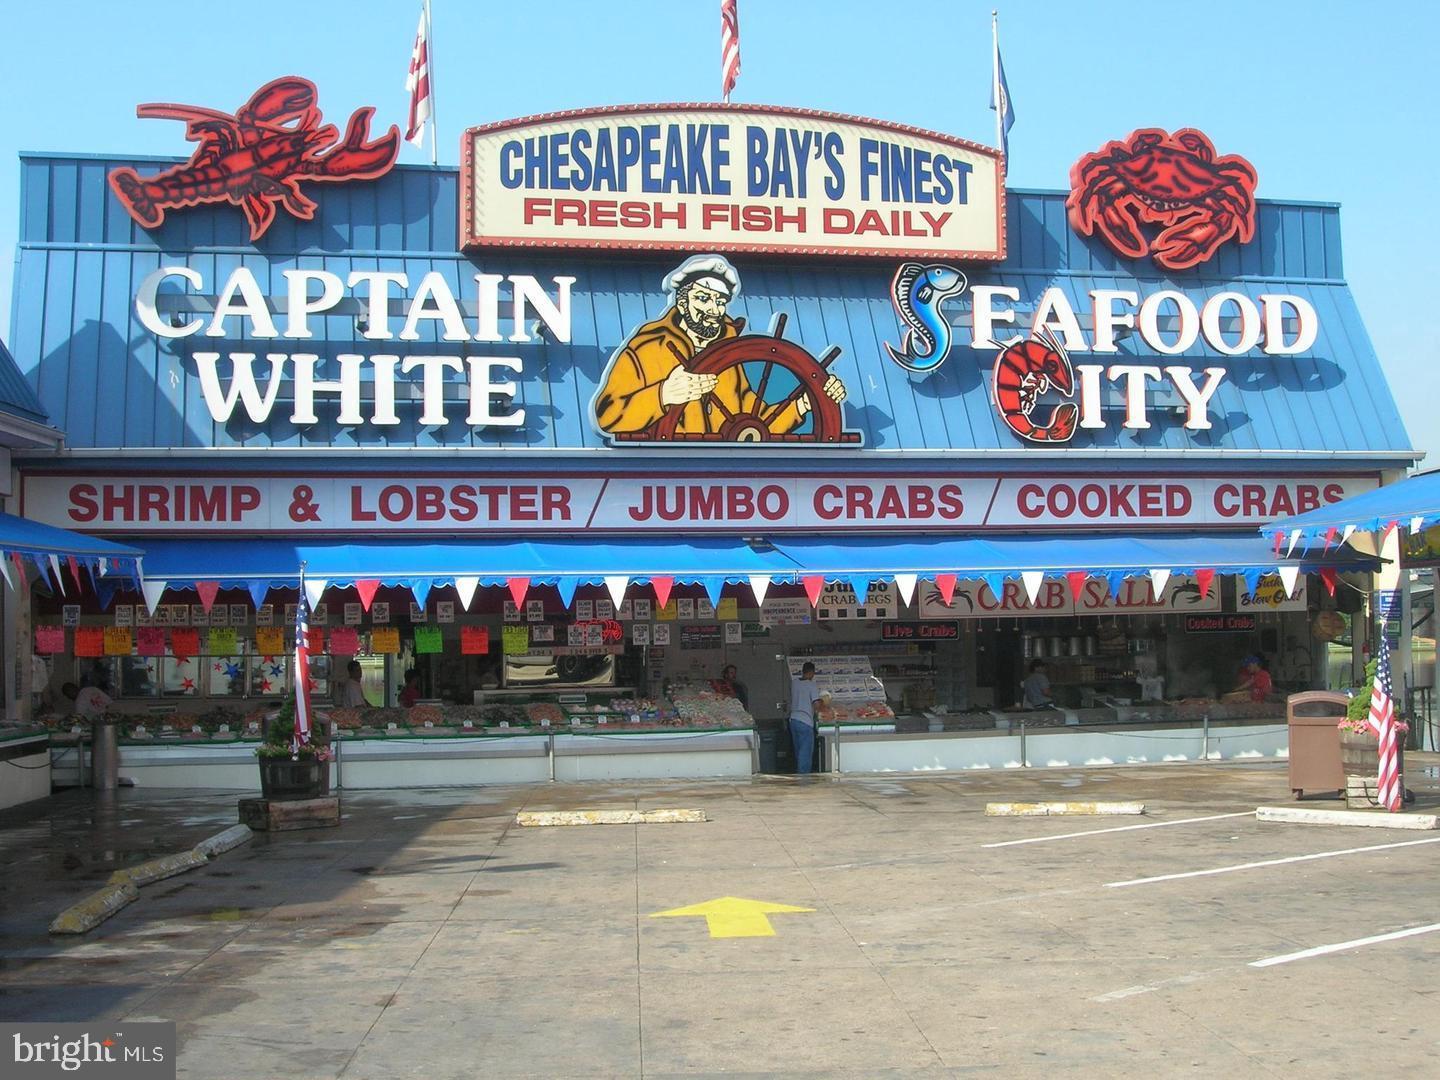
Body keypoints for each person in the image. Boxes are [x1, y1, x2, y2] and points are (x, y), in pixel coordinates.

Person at [593, 254, 846, 439]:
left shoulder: (729, 353)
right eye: (703, 298)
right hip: (662, 478)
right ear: (681, 302)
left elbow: (753, 426)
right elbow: (607, 415)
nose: (714, 310)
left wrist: (805, 402)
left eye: (720, 301)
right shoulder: (648, 348)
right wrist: (663, 394)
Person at [788, 661, 831, 776]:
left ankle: (799, 773)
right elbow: (816, 705)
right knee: (805, 753)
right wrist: (824, 703)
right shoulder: (811, 685)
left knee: (798, 750)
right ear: (812, 672)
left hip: (793, 720)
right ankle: (803, 777)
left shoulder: (794, 683)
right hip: (805, 721)